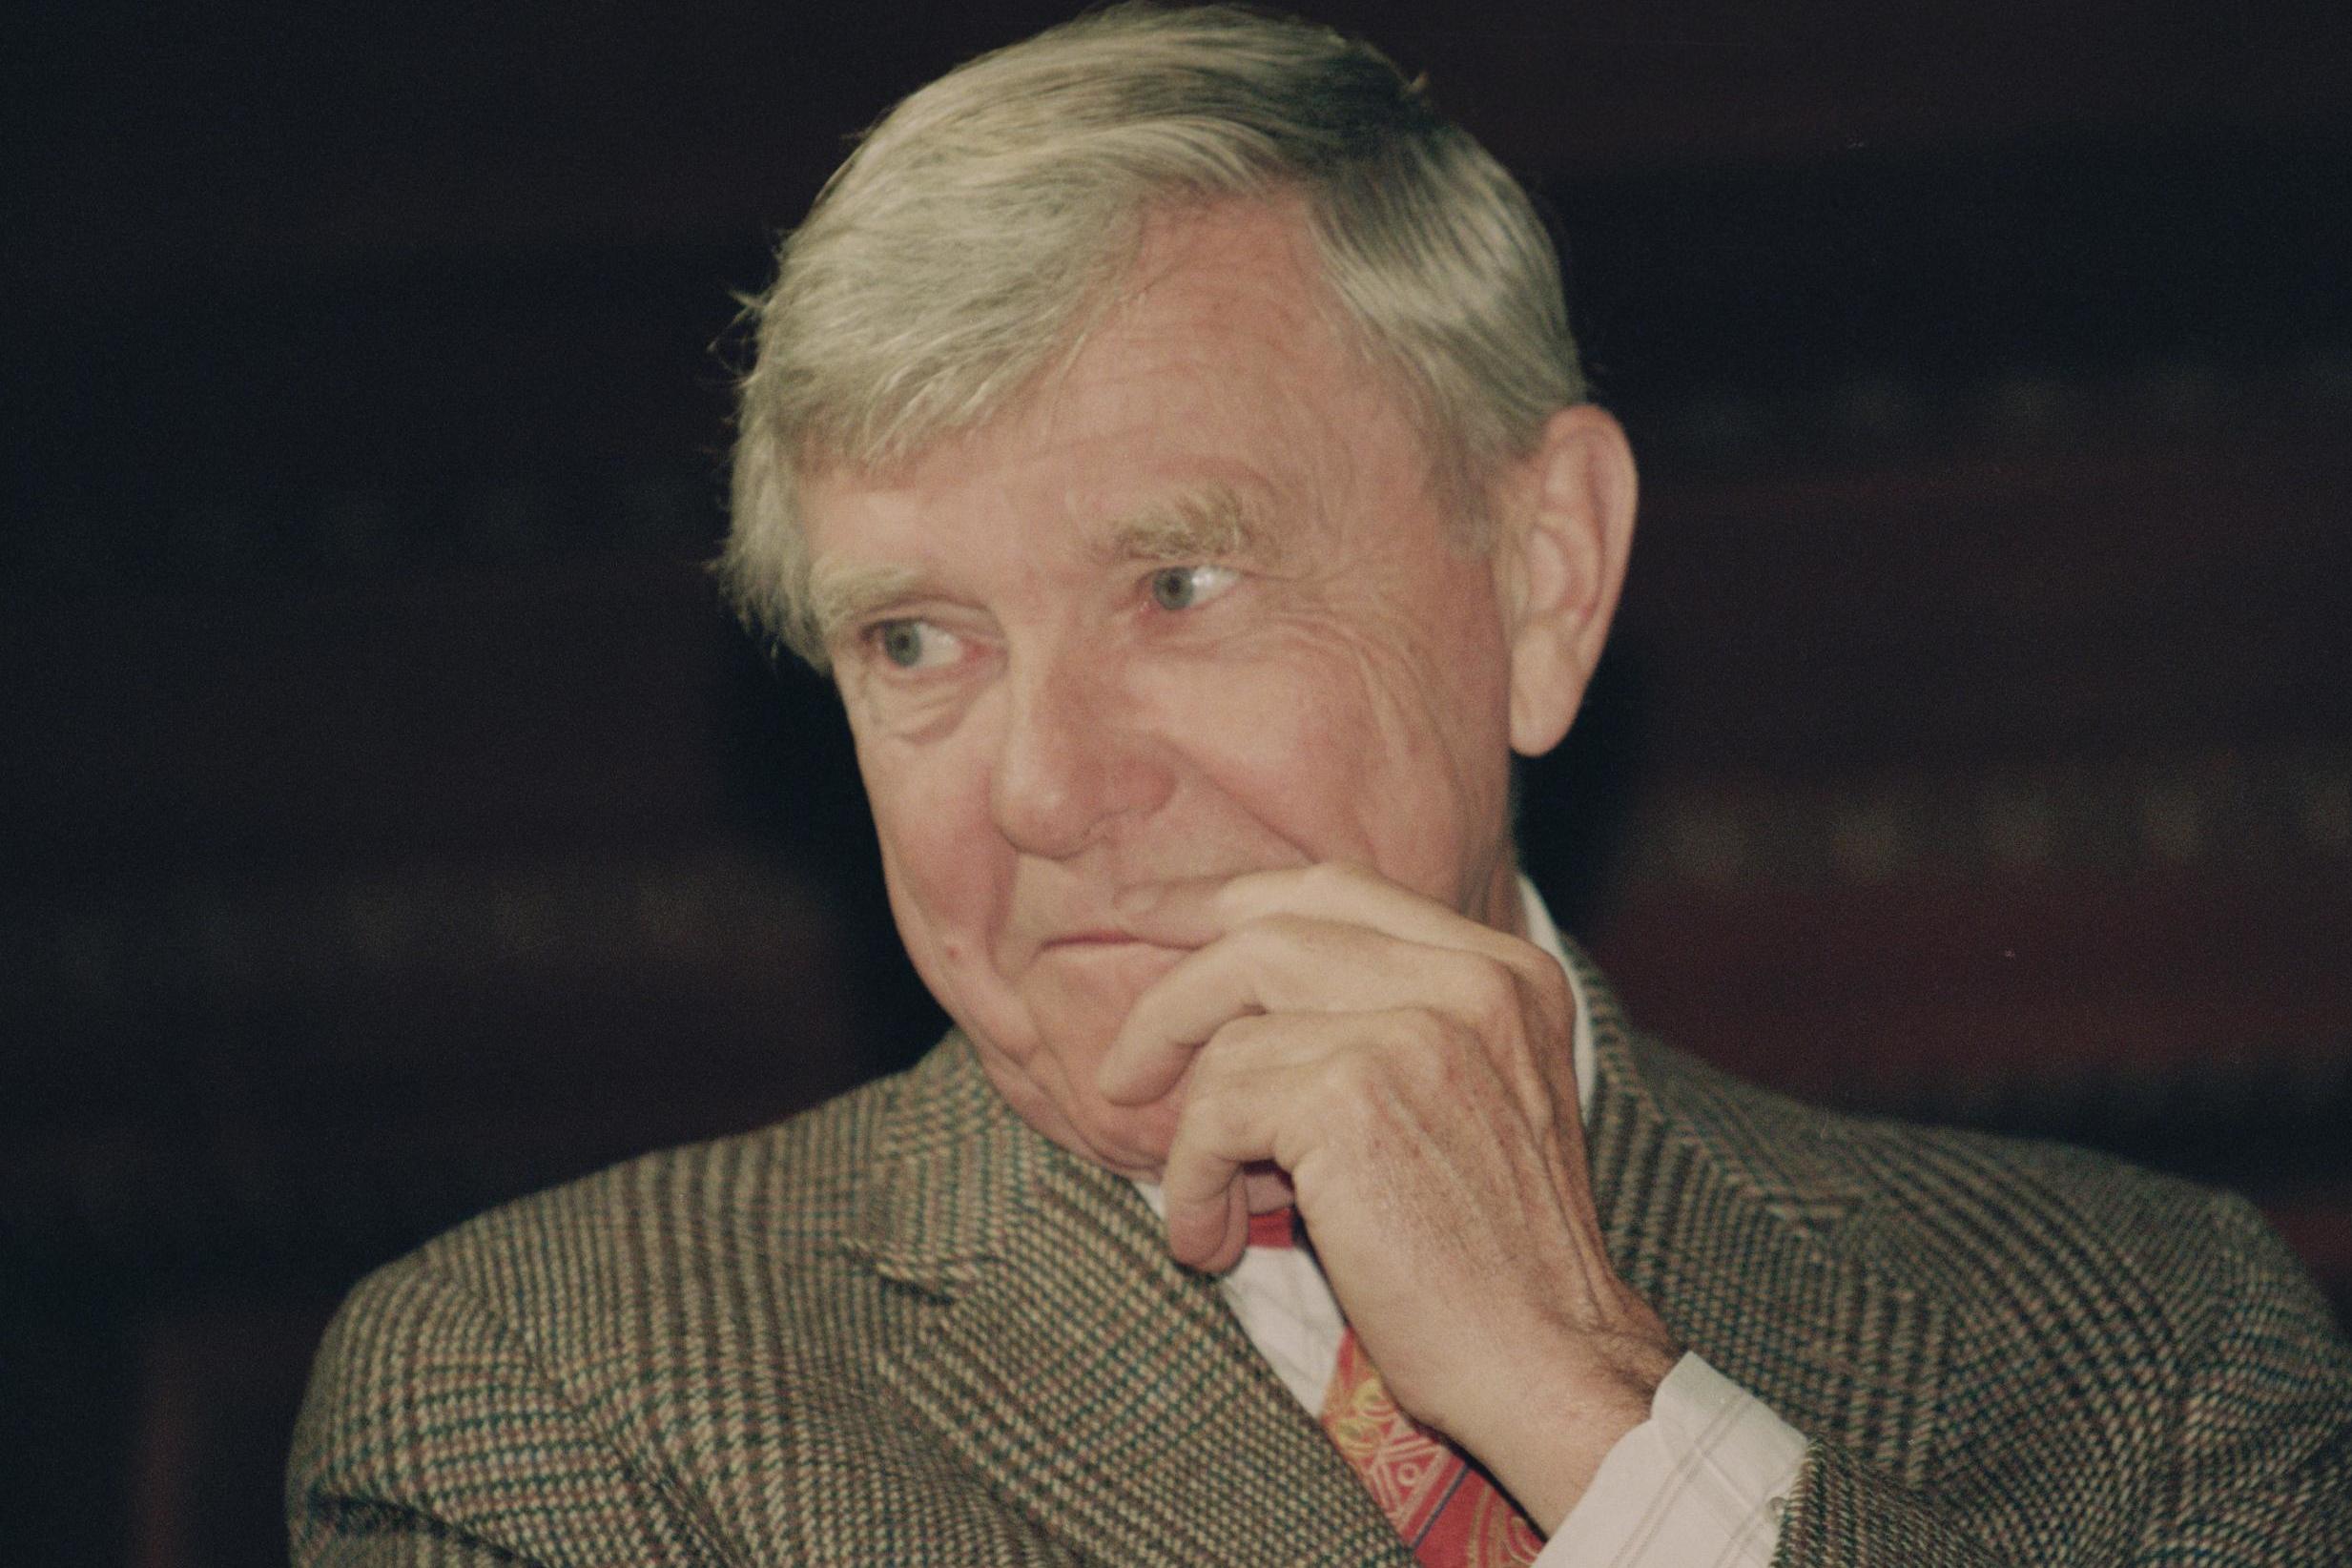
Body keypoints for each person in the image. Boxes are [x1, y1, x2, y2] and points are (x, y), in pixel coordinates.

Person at [288, 7, 2352, 1563]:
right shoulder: (547, 1395)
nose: (1045, 791)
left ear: (1542, 579)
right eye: (919, 640)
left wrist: (1605, 1416)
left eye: (1180, 586)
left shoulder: (2147, 1354)